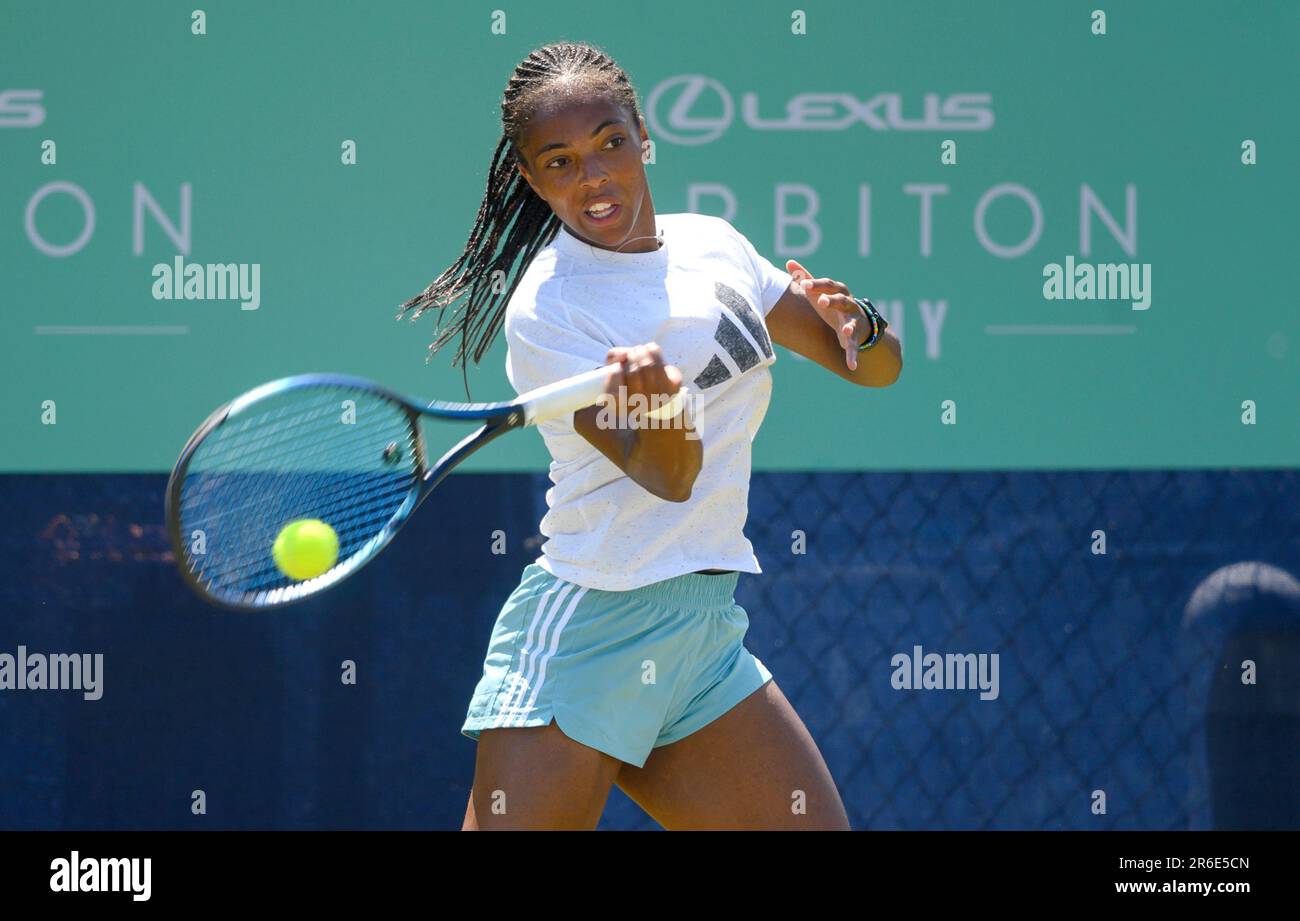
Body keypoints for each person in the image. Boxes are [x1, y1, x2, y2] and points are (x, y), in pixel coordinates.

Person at [399, 41, 901, 830]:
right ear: (532, 180)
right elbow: (668, 476)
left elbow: (874, 368)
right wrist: (663, 410)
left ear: (641, 133)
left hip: (701, 634)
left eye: (608, 143)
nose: (593, 176)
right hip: (590, 631)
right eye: (559, 162)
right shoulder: (549, 311)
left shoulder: (714, 244)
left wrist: (859, 324)